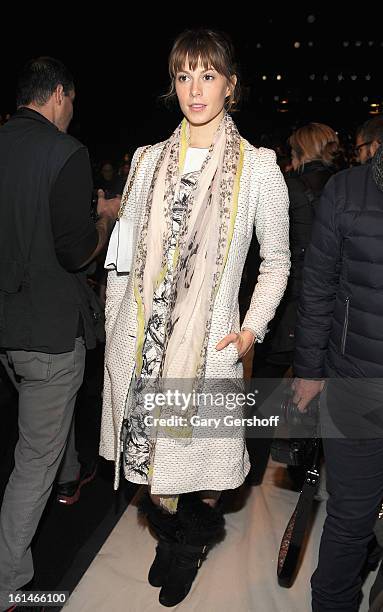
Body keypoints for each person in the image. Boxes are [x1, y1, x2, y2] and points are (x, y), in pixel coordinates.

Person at [101, 28, 290, 607]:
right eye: (184, 76)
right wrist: (115, 316)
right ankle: (172, 535)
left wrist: (251, 328)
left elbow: (278, 261)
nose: (195, 89)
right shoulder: (148, 160)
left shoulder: (257, 168)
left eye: (208, 75)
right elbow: (123, 246)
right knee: (155, 461)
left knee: (201, 465)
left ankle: (186, 547)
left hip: (209, 345)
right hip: (144, 345)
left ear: (230, 85)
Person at [0, 57, 120, 611]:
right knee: (33, 460)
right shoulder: (65, 152)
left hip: (8, 328)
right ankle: (7, 578)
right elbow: (77, 250)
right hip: (48, 331)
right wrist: (105, 217)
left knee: (45, 418)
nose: (72, 112)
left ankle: (72, 474)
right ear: (58, 94)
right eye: (71, 102)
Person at [292, 133, 383, 610]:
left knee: (353, 518)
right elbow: (318, 287)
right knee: (350, 518)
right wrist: (309, 372)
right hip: (355, 385)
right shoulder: (346, 190)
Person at [247, 122, 341, 487]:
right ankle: (304, 470)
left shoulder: (288, 188)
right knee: (315, 389)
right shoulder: (346, 187)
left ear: (300, 151)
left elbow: (270, 254)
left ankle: (250, 472)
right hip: (328, 307)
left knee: (264, 392)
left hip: (288, 301)